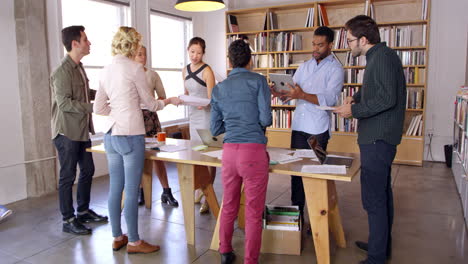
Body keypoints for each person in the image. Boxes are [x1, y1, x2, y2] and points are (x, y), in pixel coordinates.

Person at [94, 26, 182, 254]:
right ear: (133, 45)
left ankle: (117, 236)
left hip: (111, 134)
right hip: (131, 133)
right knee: (132, 190)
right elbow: (152, 105)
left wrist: (120, 108)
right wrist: (170, 100)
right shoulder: (135, 69)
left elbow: (99, 108)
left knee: (116, 188)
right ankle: (134, 241)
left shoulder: (105, 70)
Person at [334, 15, 406, 264]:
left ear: (363, 40)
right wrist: (356, 98)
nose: (349, 45)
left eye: (351, 40)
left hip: (378, 138)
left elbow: (387, 99)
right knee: (381, 194)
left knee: (374, 198)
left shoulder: (382, 58)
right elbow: (376, 89)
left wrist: (353, 111)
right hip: (378, 136)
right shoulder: (379, 57)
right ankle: (380, 245)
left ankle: (377, 257)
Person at [271, 26, 344, 219]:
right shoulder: (304, 66)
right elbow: (291, 91)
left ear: (330, 45)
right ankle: (298, 215)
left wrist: (301, 94)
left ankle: (317, 216)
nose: (316, 48)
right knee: (296, 172)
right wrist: (278, 92)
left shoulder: (336, 69)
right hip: (299, 127)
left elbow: (329, 99)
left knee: (316, 174)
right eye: (314, 44)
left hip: (318, 129)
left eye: (320, 45)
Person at [211, 39, 272, 264]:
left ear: (229, 61)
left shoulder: (219, 88)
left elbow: (215, 128)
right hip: (253, 153)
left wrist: (235, 121)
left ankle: (225, 251)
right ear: (250, 60)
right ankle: (250, 260)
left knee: (229, 204)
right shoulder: (259, 81)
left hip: (228, 153)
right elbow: (266, 118)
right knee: (254, 213)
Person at [51, 25, 108, 236]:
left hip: (82, 130)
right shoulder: (61, 72)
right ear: (75, 43)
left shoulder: (79, 68)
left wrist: (105, 95)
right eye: (86, 39)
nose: (89, 43)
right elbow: (65, 104)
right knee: (67, 176)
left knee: (88, 170)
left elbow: (86, 93)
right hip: (66, 132)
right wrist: (95, 107)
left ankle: (83, 211)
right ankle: (68, 219)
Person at [134, 45, 178, 207]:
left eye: (144, 54)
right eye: (139, 54)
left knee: (158, 155)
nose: (142, 57)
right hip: (134, 118)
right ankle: (140, 191)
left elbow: (162, 96)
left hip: (151, 118)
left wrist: (151, 102)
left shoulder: (152, 75)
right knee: (138, 156)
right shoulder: (128, 75)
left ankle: (166, 191)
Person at [183, 37, 216, 214]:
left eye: (199, 52)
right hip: (193, 115)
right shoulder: (184, 70)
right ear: (188, 50)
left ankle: (208, 196)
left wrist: (205, 103)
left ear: (203, 53)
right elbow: (188, 92)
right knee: (195, 154)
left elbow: (212, 98)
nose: (195, 56)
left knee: (208, 155)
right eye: (192, 51)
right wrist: (183, 98)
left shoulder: (207, 71)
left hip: (205, 116)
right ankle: (199, 189)